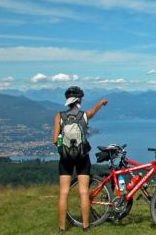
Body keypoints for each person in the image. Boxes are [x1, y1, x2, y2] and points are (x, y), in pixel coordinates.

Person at [52, 86, 108, 232]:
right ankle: (85, 226)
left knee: (64, 192)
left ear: (67, 100)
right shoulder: (84, 115)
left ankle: (62, 227)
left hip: (65, 158)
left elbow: (54, 140)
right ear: (79, 99)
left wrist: (65, 147)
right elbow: (93, 111)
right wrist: (101, 102)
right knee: (83, 192)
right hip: (82, 157)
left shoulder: (59, 116)